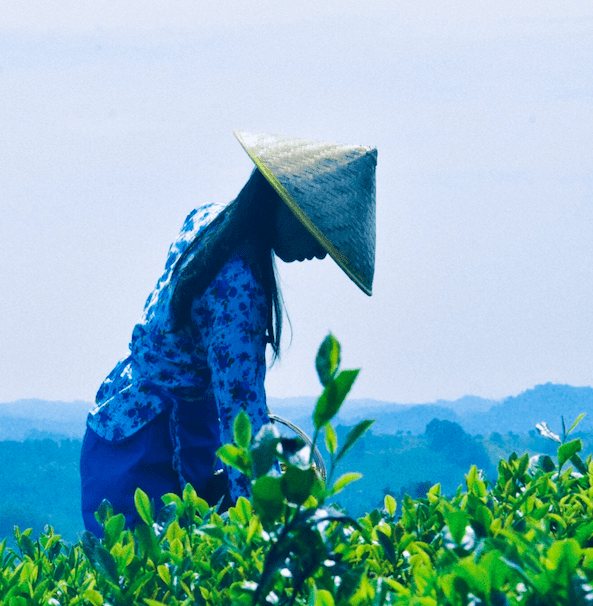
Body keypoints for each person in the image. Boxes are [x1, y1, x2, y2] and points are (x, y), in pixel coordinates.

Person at [81, 131, 378, 537]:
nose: (322, 251)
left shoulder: (209, 219)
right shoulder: (241, 288)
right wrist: (264, 527)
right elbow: (243, 417)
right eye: (318, 231)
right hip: (153, 454)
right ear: (287, 207)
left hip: (120, 425)